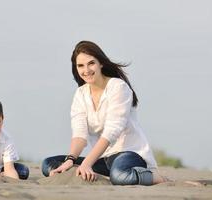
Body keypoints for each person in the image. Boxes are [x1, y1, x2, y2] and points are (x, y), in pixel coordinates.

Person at [42, 41, 166, 185]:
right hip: (104, 158)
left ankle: (157, 178)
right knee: (49, 164)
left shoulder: (118, 87)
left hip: (130, 153)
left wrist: (86, 163)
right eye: (80, 66)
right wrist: (70, 160)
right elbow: (80, 135)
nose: (86, 70)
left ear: (101, 63)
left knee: (120, 175)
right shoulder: (80, 94)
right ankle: (95, 173)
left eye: (91, 63)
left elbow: (112, 132)